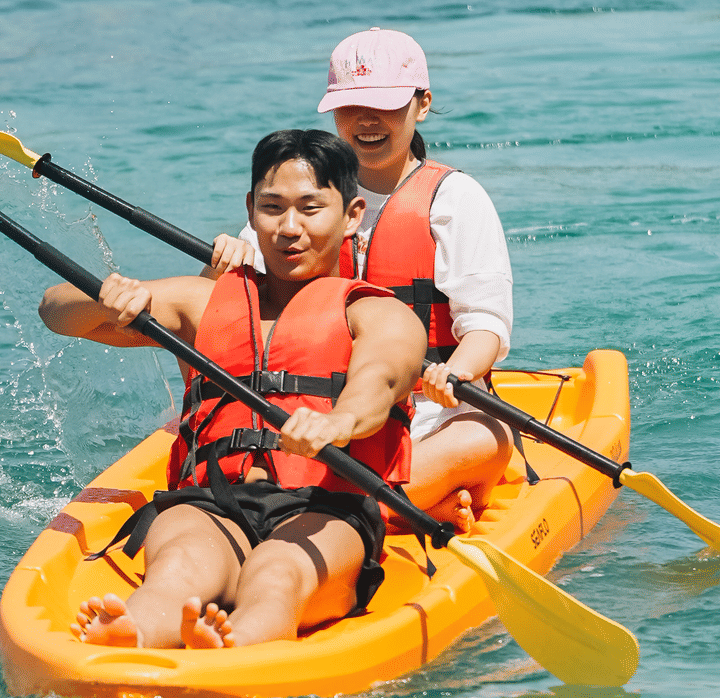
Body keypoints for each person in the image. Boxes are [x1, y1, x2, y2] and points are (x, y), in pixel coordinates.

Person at [38, 129, 426, 649]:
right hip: (211, 501)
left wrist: (337, 422)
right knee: (176, 566)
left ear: (352, 214)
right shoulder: (203, 304)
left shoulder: (379, 314)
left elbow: (378, 383)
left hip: (326, 510)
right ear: (251, 208)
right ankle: (133, 633)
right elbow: (55, 311)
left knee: (277, 573)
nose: (290, 228)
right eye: (272, 208)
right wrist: (102, 301)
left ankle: (236, 643)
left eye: (311, 209)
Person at [208, 28, 515, 532]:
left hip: (428, 415)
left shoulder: (455, 199)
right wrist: (229, 262)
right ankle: (399, 508)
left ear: (422, 104)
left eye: (386, 105)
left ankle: (357, 506)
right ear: (333, 111)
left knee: (487, 438)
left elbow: (486, 325)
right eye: (352, 106)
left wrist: (454, 374)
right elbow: (228, 312)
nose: (368, 122)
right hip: (313, 410)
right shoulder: (298, 195)